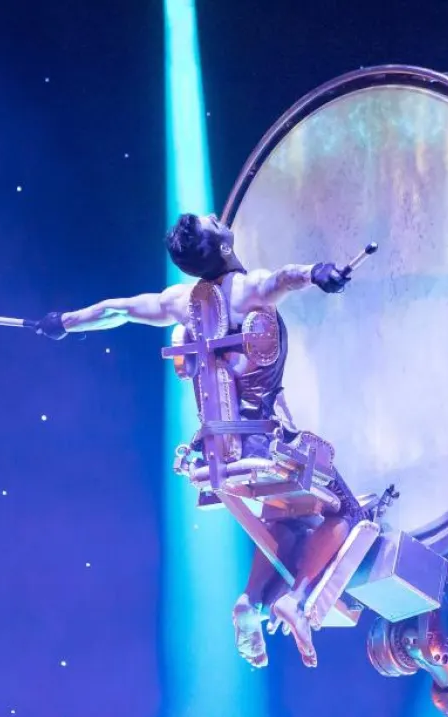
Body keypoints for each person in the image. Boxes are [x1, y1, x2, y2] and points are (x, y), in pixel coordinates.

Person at [36, 213, 364, 669]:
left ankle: (251, 601)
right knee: (350, 512)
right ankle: (298, 599)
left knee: (285, 519)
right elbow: (284, 278)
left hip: (217, 451)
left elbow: (117, 310)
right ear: (223, 245)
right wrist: (318, 272)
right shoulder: (247, 289)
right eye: (213, 222)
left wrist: (65, 321)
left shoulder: (180, 301)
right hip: (264, 443)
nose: (216, 216)